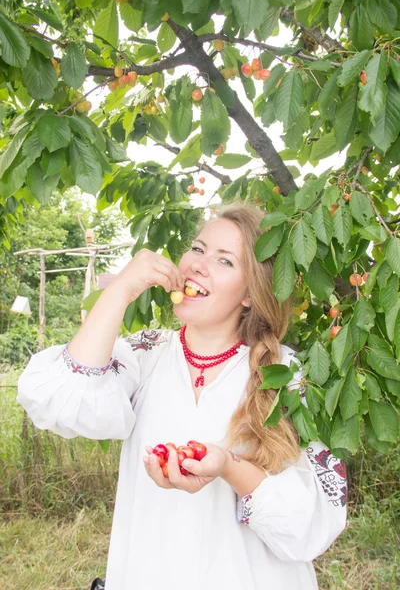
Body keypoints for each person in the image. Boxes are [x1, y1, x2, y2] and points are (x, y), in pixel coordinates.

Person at [17, 202, 347, 590]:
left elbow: (312, 523)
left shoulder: (288, 375)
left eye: (225, 261)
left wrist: (227, 466)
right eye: (197, 248)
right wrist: (121, 290)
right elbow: (58, 401)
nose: (198, 265)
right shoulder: (145, 354)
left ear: (249, 293)